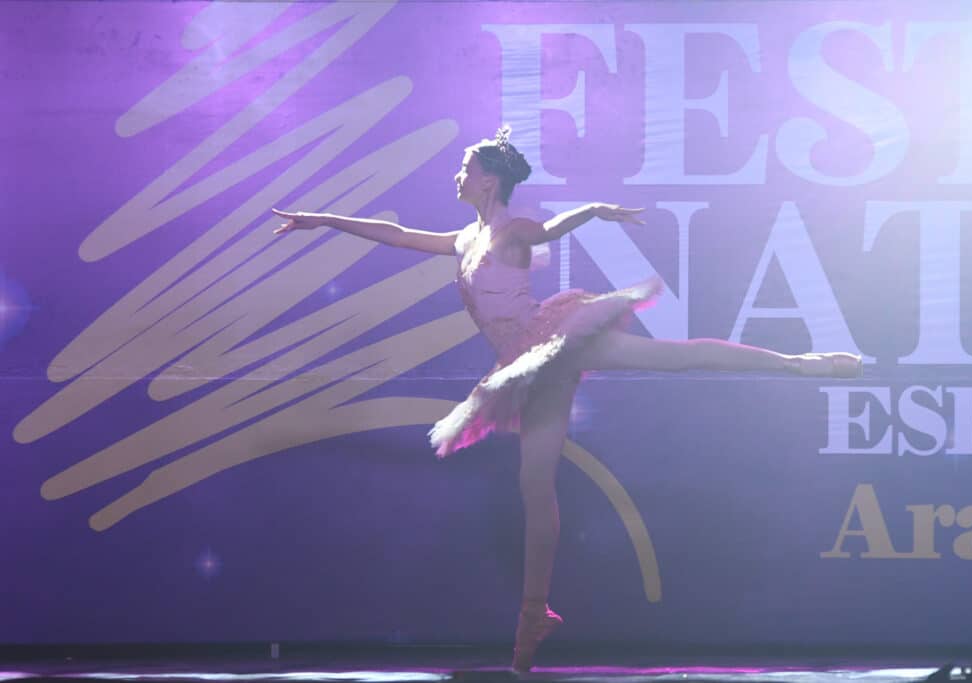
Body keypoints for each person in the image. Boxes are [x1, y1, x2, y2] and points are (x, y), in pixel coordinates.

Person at [272, 126, 861, 672]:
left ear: (488, 180)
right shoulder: (464, 239)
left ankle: (800, 363)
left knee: (674, 356)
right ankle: (534, 616)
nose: (457, 175)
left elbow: (551, 231)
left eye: (464, 167)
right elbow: (397, 236)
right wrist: (321, 221)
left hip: (553, 340)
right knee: (534, 486)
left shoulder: (512, 231)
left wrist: (594, 210)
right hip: (525, 368)